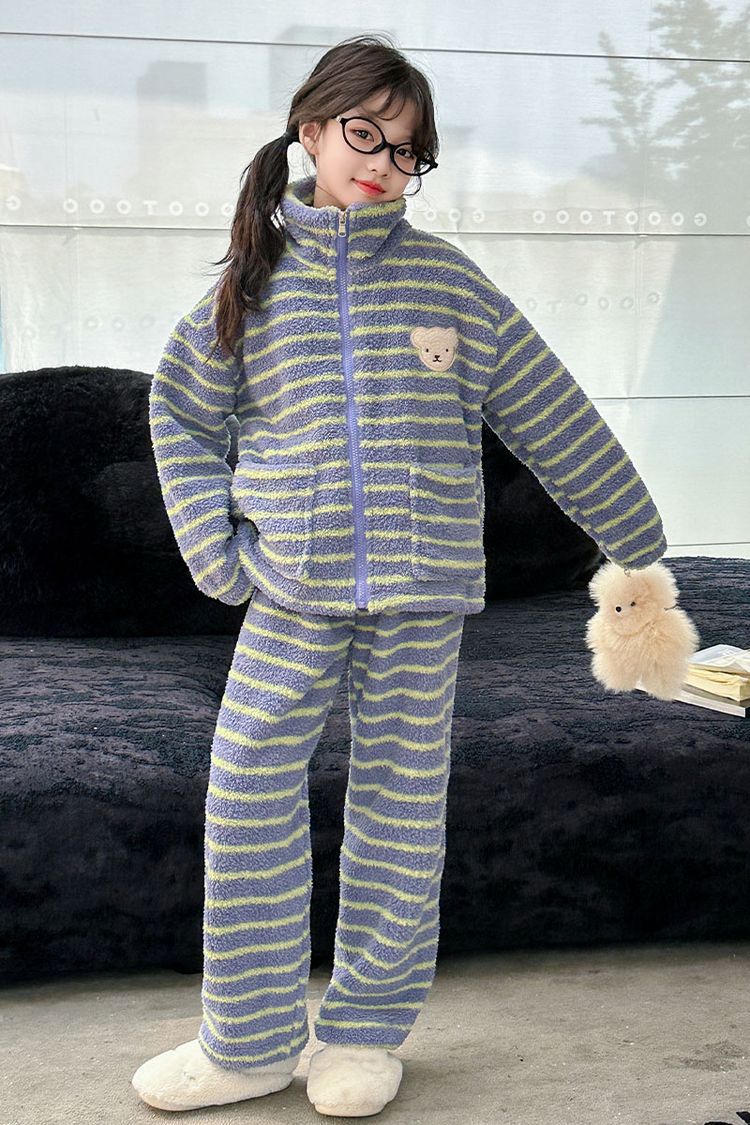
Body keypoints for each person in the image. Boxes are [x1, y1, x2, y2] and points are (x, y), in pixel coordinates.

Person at [131, 32, 667, 1118]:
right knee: (245, 787)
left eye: (407, 150)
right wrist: (216, 551)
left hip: (424, 594)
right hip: (292, 584)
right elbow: (180, 414)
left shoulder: (448, 282)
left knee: (400, 807)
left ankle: (365, 1035)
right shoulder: (252, 285)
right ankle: (247, 1040)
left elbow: (551, 412)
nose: (383, 163)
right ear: (312, 129)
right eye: (365, 134)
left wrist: (638, 543)